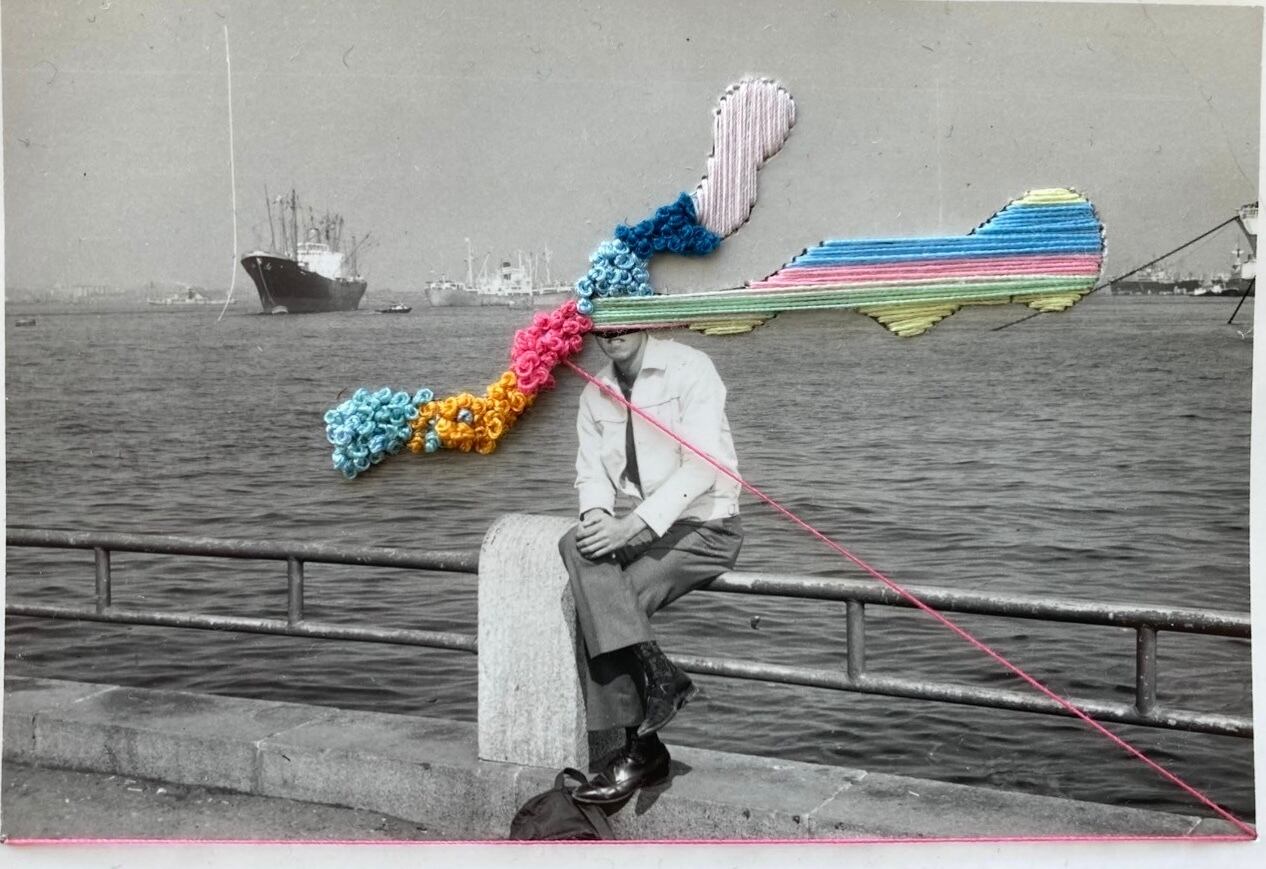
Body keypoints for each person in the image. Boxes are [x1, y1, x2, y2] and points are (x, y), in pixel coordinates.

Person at [558, 329, 743, 804]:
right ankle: (662, 678)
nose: (613, 334)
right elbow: (590, 474)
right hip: (648, 527)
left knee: (610, 601)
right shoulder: (595, 392)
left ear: (644, 319)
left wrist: (628, 528)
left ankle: (638, 751)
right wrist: (598, 519)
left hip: (708, 525)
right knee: (576, 544)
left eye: (623, 320)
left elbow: (702, 468)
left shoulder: (690, 367)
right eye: (603, 325)